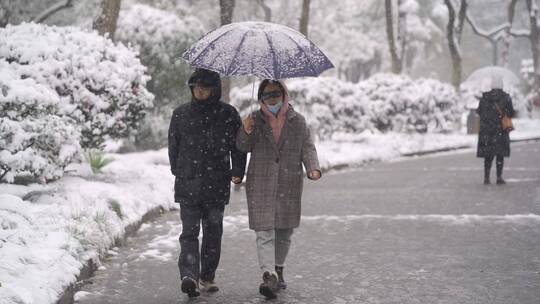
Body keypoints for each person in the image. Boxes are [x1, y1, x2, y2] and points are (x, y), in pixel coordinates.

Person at [236, 79, 322, 299]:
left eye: (275, 94)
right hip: (261, 181)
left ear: (284, 95)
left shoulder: (298, 121)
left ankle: (278, 267)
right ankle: (268, 274)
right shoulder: (253, 120)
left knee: (284, 230)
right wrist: (245, 131)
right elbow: (242, 147)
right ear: (260, 98)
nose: (271, 99)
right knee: (264, 231)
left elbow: (307, 147)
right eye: (266, 95)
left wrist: (312, 168)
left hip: (288, 180)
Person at [168, 68, 246, 297]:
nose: (200, 91)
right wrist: (179, 170)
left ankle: (207, 277)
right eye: (196, 87)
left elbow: (239, 147)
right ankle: (189, 276)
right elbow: (174, 146)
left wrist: (238, 171)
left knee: (213, 232)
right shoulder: (180, 114)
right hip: (188, 182)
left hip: (217, 182)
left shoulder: (228, 114)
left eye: (204, 88)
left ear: (215, 89)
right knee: (189, 232)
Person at [476, 76, 515, 185]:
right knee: (500, 154)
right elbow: (511, 113)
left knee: (488, 154)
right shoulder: (506, 97)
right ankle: (499, 177)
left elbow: (479, 112)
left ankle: (486, 177)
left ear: (491, 85)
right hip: (500, 130)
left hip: (487, 130)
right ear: (501, 85)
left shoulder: (484, 97)